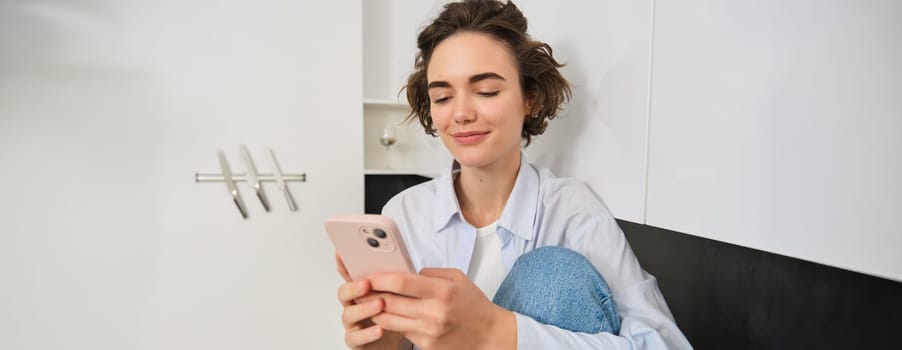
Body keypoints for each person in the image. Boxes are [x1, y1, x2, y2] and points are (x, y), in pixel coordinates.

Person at [336, 0, 692, 348]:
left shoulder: (570, 210)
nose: (460, 113)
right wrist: (382, 342)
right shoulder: (404, 215)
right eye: (442, 97)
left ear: (530, 99)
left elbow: (664, 343)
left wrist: (497, 333)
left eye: (486, 91)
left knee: (550, 274)